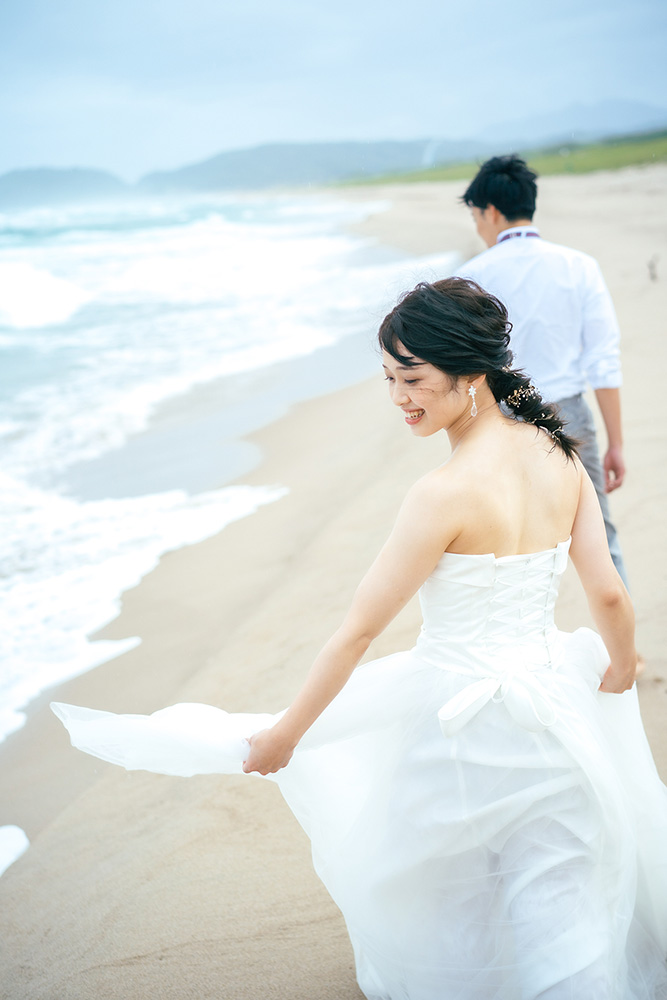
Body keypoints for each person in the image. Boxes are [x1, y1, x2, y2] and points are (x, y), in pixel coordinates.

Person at [53, 279, 667, 999]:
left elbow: (356, 633)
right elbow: (607, 594)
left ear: (470, 375)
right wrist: (620, 666)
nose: (398, 396)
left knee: (447, 897)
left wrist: (286, 735)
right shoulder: (560, 458)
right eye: (388, 379)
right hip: (555, 724)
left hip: (455, 734)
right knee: (560, 910)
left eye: (412, 378)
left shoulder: (441, 493)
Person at [457, 155, 630, 588]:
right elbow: (603, 362)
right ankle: (625, 656)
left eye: (476, 215)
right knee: (599, 539)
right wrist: (617, 443)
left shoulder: (471, 278)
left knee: (509, 547)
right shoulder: (579, 266)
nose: (478, 227)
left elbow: (462, 370)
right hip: (570, 416)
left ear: (491, 211)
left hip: (503, 424)